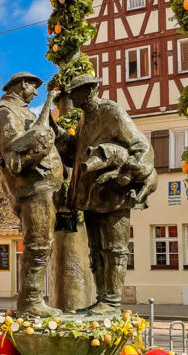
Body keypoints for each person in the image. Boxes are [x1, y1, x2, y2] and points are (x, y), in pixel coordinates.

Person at [65, 75, 157, 315]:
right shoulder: (84, 118)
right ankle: (101, 300)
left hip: (113, 195)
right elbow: (77, 154)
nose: (72, 96)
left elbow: (141, 147)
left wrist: (126, 175)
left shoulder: (111, 112)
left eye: (76, 91)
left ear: (91, 90)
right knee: (96, 250)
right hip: (91, 197)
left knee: (115, 249)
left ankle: (112, 302)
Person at [0, 73, 64, 317]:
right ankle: (30, 303)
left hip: (43, 187)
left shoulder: (23, 112)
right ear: (23, 85)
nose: (35, 93)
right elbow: (14, 156)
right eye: (33, 87)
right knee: (38, 244)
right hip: (32, 189)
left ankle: (32, 301)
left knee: (43, 244)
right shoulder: (5, 112)